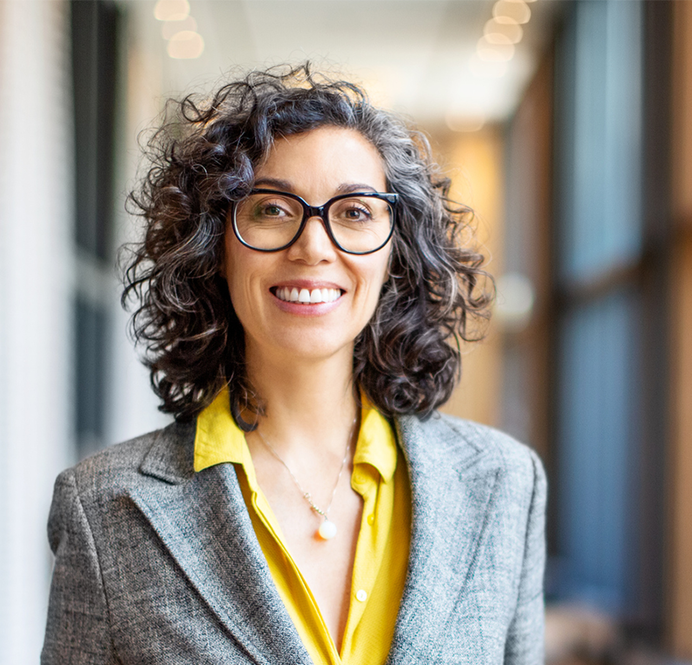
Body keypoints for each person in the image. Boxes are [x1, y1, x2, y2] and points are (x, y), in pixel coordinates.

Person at [42, 65, 546, 665]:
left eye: (355, 212)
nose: (313, 247)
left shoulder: (503, 483)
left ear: (396, 253)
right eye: (272, 209)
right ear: (215, 245)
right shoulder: (103, 509)